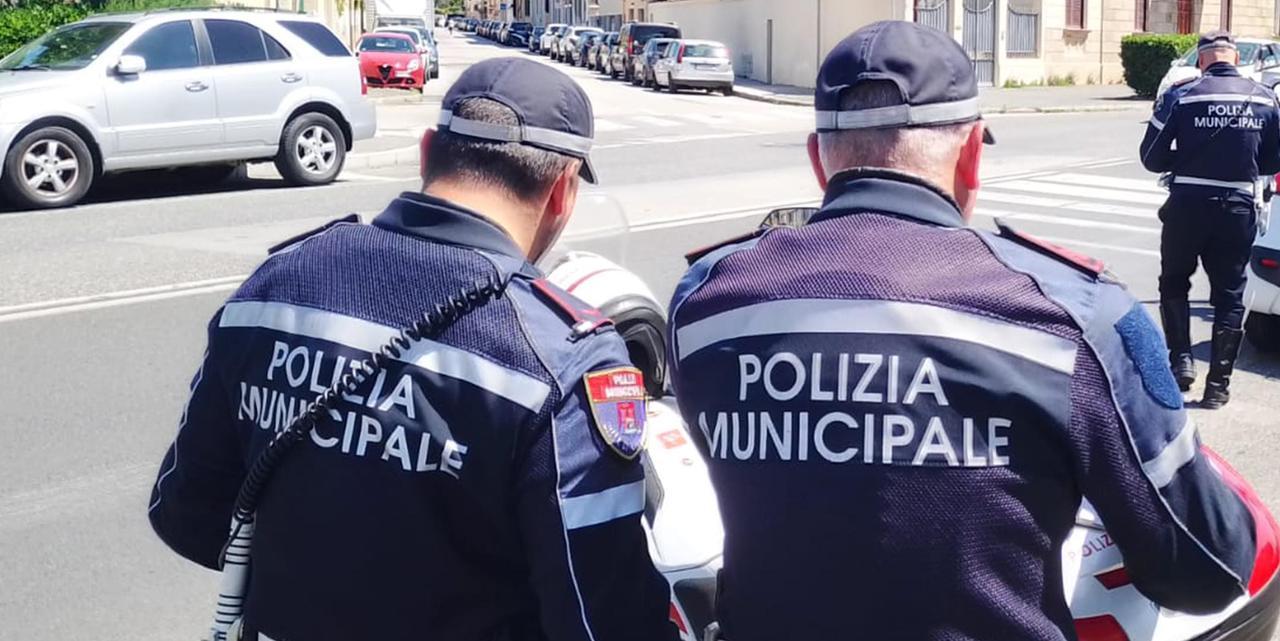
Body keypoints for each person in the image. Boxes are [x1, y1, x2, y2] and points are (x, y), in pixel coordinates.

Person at [669, 21, 1258, 641]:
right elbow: (1207, 567)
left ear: (820, 161)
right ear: (973, 153)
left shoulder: (705, 303)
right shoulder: (1071, 313)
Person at [148, 58, 677, 641]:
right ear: (563, 192)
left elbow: (188, 518)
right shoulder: (563, 355)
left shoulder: (275, 283)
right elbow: (602, 618)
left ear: (427, 152)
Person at [1140, 29, 1280, 408]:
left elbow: (1150, 157)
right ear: (1234, 58)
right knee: (1230, 295)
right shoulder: (1264, 99)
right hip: (1237, 208)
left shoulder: (1181, 95)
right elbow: (1272, 161)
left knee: (1173, 282)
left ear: (1202, 59)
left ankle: (1181, 362)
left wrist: (1184, 163)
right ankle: (1218, 386)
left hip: (1187, 205)